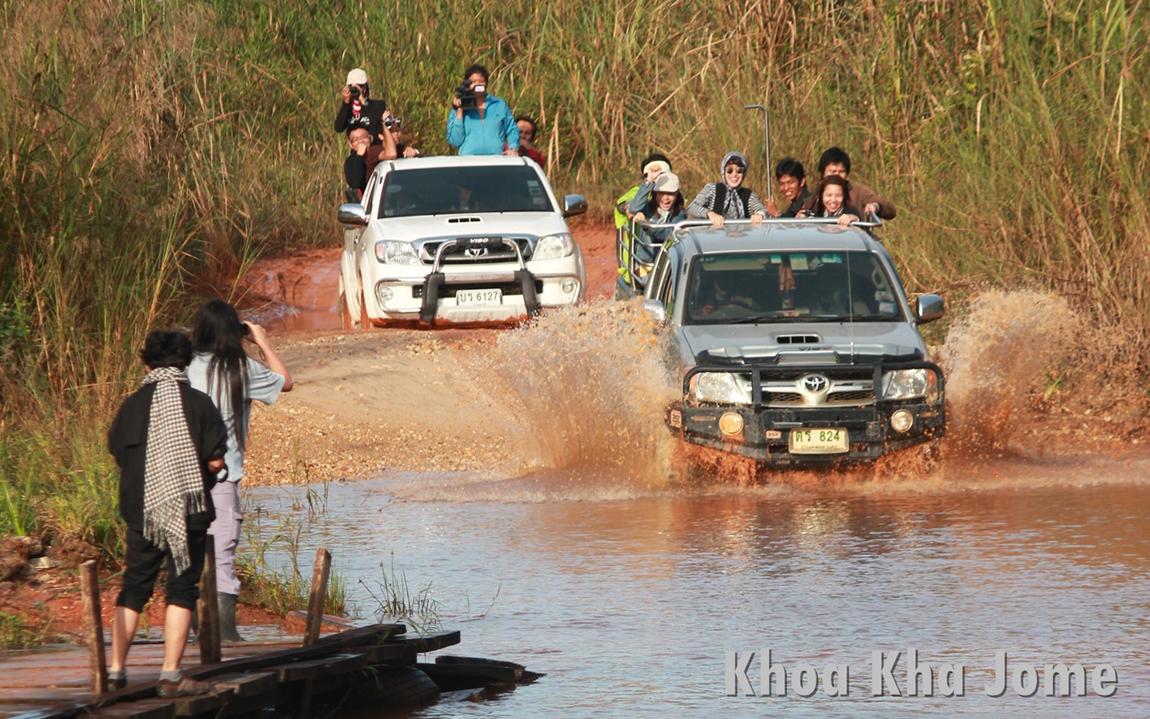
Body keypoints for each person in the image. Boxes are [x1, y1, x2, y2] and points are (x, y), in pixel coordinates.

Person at [107, 330, 228, 697]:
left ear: (147, 362)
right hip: (187, 512)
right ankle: (171, 675)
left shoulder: (131, 406)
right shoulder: (199, 404)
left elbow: (116, 452)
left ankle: (115, 671)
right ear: (186, 362)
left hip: (142, 512)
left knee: (134, 588)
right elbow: (216, 459)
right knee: (181, 588)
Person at [187, 300, 293, 643]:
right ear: (234, 332)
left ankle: (196, 631)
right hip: (222, 473)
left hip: (183, 473)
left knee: (189, 549)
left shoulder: (185, 365)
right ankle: (226, 635)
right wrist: (261, 340)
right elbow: (285, 382)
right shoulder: (239, 366)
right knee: (222, 550)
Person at [446, 64, 519, 156]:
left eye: (481, 81)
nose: (478, 84)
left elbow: (512, 129)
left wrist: (513, 148)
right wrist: (459, 111)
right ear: (467, 84)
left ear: (486, 83)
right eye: (473, 81)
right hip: (468, 161)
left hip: (496, 159)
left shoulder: (499, 104)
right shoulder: (459, 106)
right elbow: (455, 141)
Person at [806, 146, 896, 220]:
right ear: (823, 173)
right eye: (833, 172)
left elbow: (890, 210)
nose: (837, 175)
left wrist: (875, 207)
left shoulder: (859, 192)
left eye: (841, 172)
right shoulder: (815, 193)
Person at [687, 151, 767, 227]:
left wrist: (759, 215)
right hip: (713, 237)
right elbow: (692, 207)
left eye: (739, 171)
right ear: (723, 172)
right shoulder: (712, 189)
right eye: (729, 171)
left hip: (741, 238)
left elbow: (761, 210)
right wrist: (710, 214)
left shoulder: (749, 195)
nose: (734, 175)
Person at [334, 68, 388, 144]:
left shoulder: (378, 105)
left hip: (374, 147)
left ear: (365, 87)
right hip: (357, 150)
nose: (356, 89)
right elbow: (338, 128)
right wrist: (345, 103)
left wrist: (363, 101)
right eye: (351, 87)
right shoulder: (348, 109)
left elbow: (374, 128)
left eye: (360, 85)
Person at [343, 128, 373, 200]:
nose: (361, 141)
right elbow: (355, 183)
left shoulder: (378, 153)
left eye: (363, 137)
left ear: (370, 138)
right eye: (355, 139)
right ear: (350, 144)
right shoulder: (350, 162)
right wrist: (360, 156)